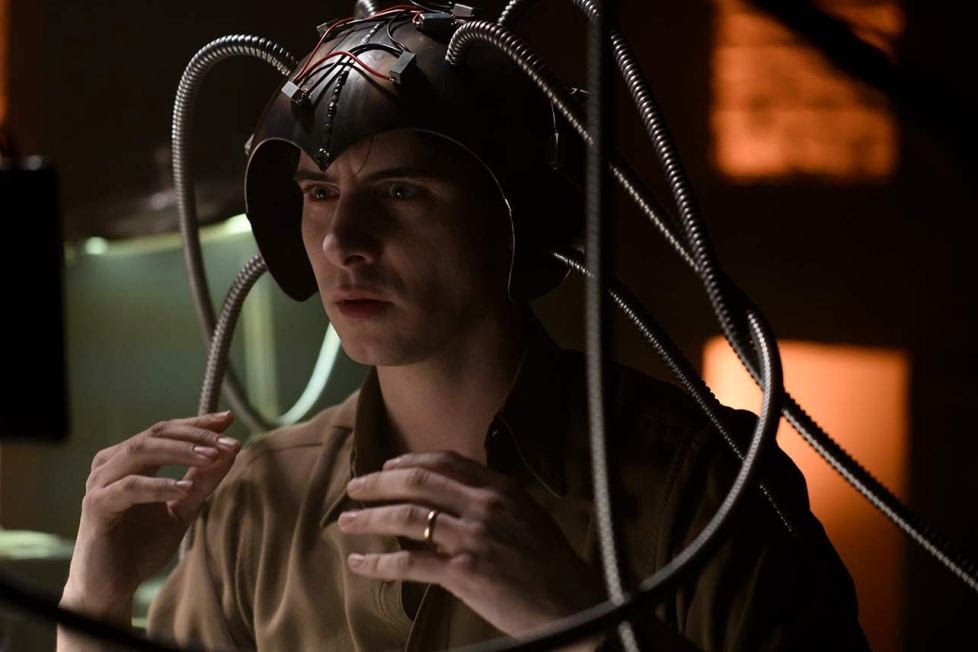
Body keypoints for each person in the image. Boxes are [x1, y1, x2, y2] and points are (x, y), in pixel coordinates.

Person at [59, 4, 870, 651]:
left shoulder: (707, 490)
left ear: (514, 218)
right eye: (319, 194)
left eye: (401, 192)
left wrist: (580, 625)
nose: (343, 242)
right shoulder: (259, 501)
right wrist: (94, 600)